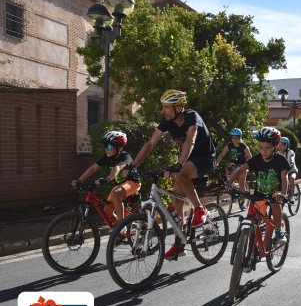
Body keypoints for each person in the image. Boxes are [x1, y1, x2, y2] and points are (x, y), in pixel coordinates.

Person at [132, 89, 216, 259]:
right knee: (176, 205)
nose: (163, 111)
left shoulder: (192, 117)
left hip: (205, 159)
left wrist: (179, 164)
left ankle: (200, 210)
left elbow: (190, 140)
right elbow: (151, 143)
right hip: (186, 161)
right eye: (163, 107)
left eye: (167, 107)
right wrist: (133, 165)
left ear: (178, 108)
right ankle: (180, 245)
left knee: (180, 173)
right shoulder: (167, 121)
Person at [226, 127, 289, 246]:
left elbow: (284, 178)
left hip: (276, 193)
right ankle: (253, 250)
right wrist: (229, 182)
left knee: (275, 204)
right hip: (260, 193)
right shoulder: (257, 159)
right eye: (260, 147)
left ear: (275, 147)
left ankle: (279, 231)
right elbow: (240, 170)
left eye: (267, 148)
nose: (263, 151)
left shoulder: (280, 160)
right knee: (254, 220)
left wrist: (283, 193)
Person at [72, 131, 141, 226]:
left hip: (133, 183)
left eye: (109, 146)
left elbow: (118, 168)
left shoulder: (125, 156)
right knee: (107, 212)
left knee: (115, 194)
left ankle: (121, 226)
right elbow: (93, 168)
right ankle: (121, 233)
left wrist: (108, 178)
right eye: (105, 146)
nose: (106, 149)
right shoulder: (107, 157)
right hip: (119, 186)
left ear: (119, 148)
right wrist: (79, 180)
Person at [215, 127, 252, 209]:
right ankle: (231, 187)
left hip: (242, 165)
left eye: (236, 138)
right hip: (234, 164)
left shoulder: (244, 147)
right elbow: (222, 154)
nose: (234, 140)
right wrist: (217, 163)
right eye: (233, 138)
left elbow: (250, 157)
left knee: (242, 183)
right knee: (227, 171)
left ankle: (243, 202)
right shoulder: (229, 145)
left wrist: (248, 167)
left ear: (240, 137)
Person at [277, 137, 298, 203]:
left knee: (291, 178)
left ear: (286, 145)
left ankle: (292, 196)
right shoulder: (278, 153)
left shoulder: (290, 152)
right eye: (279, 145)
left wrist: (291, 163)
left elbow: (292, 158)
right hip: (283, 172)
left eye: (282, 146)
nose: (280, 147)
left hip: (292, 170)